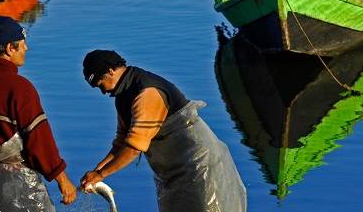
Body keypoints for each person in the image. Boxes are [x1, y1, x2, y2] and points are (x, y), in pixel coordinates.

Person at [79, 50, 247, 212]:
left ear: (110, 71)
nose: (102, 92)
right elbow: (121, 143)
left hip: (198, 166)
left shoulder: (146, 92)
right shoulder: (123, 96)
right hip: (171, 171)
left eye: (101, 84)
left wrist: (101, 174)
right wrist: (96, 172)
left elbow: (133, 148)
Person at [0, 15, 76, 212]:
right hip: (15, 183)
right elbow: (39, 141)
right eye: (22, 44)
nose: (26, 49)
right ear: (10, 48)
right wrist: (61, 178)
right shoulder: (20, 88)